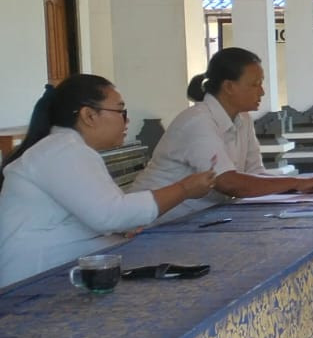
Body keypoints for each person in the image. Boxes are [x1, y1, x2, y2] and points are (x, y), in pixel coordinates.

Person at [0, 75, 215, 289]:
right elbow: (111, 215)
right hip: (31, 282)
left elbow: (94, 215)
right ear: (89, 115)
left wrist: (117, 229)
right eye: (121, 112)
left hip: (55, 273)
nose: (126, 121)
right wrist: (184, 189)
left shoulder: (70, 149)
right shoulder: (62, 150)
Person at [133, 47, 313, 222]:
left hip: (201, 219)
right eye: (254, 84)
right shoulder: (198, 121)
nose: (261, 92)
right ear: (228, 87)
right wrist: (295, 183)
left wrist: (303, 187)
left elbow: (256, 174)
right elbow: (228, 183)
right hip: (159, 223)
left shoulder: (242, 119)